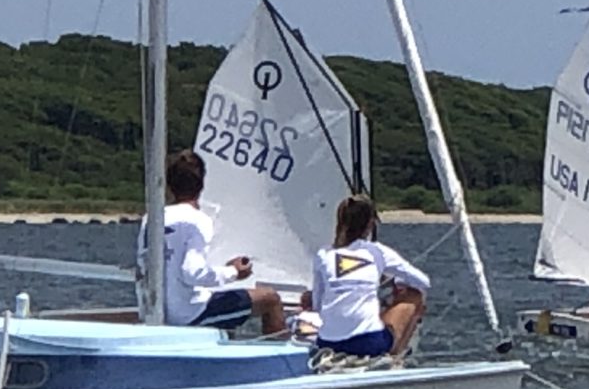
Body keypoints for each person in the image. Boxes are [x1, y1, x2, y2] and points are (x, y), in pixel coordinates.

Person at [163, 148, 288, 336]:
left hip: (160, 313)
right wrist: (234, 272)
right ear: (201, 185)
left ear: (169, 185)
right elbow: (192, 272)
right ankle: (282, 362)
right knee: (270, 299)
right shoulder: (197, 220)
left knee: (226, 308)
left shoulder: (152, 219)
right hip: (190, 315)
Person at [307, 193, 432, 359]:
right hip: (368, 343)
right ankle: (393, 359)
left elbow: (318, 304)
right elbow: (423, 282)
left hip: (327, 343)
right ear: (370, 224)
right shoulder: (377, 251)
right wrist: (399, 282)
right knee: (414, 295)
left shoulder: (323, 254)